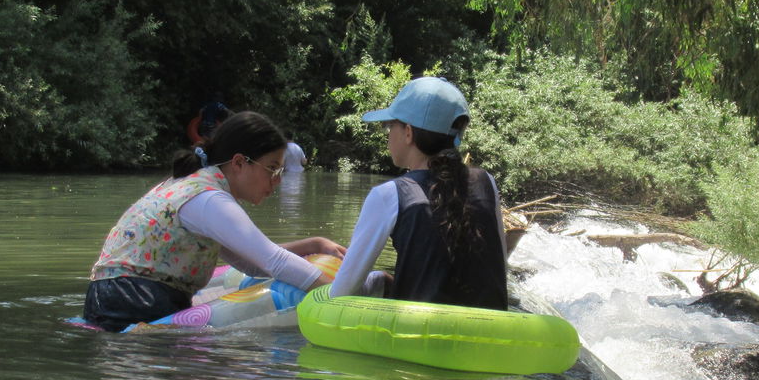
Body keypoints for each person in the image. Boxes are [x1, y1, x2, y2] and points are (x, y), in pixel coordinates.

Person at [84, 111, 345, 331]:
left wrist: (313, 244)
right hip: (136, 300)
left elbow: (251, 262)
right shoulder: (210, 199)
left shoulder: (192, 184)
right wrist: (343, 296)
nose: (277, 181)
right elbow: (273, 261)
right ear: (239, 162)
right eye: (272, 168)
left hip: (111, 297)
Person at [329, 76, 508, 309]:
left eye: (389, 126)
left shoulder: (389, 195)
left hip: (419, 330)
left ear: (408, 132)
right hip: (492, 328)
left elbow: (340, 294)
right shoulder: (487, 182)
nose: (387, 135)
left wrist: (377, 280)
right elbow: (499, 268)